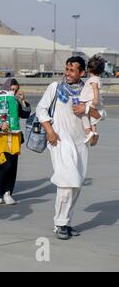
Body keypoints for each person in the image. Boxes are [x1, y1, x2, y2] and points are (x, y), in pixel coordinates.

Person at [36, 56, 101, 240]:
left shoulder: (88, 91)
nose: (67, 73)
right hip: (60, 140)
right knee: (66, 183)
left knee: (76, 185)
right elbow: (41, 109)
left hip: (80, 143)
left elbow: (99, 114)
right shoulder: (55, 87)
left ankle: (67, 222)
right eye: (66, 69)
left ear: (82, 73)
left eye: (72, 70)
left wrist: (86, 110)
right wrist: (49, 131)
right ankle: (60, 223)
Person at [80, 54, 107, 145]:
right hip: (92, 101)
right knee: (92, 120)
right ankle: (94, 133)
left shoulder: (93, 79)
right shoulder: (98, 78)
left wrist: (95, 99)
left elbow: (95, 89)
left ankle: (89, 132)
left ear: (89, 69)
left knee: (83, 115)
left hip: (90, 101)